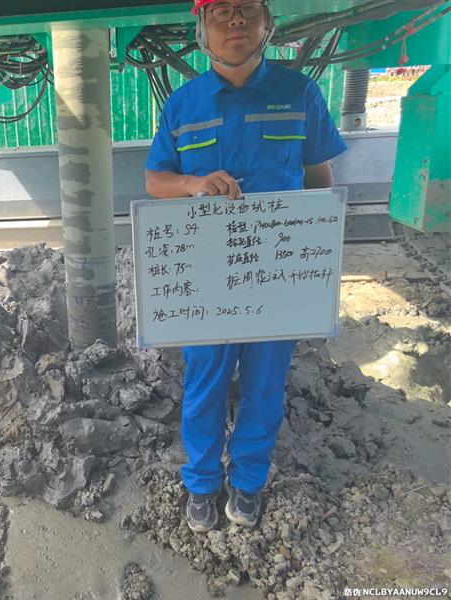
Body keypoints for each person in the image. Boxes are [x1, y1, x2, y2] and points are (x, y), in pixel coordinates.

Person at [145, 0, 348, 531]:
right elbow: (156, 181)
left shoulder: (300, 93)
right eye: (221, 11)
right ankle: (201, 484)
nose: (235, 20)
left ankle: (248, 483)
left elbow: (319, 181)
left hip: (275, 276)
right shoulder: (183, 105)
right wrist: (193, 183)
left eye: (247, 9)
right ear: (201, 30)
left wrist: (316, 256)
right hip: (207, 277)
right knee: (205, 383)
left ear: (267, 24)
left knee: (265, 385)